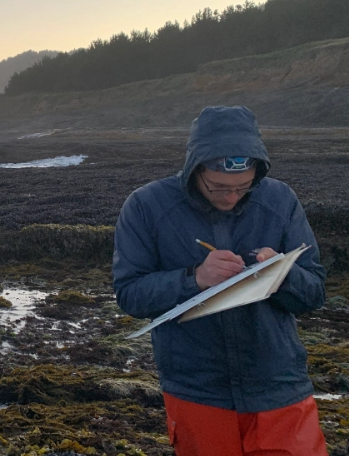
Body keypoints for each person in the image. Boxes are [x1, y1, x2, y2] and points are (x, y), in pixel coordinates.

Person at [112, 106, 327, 455]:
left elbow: (315, 291)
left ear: (258, 172)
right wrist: (194, 280)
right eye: (218, 188)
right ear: (195, 169)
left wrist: (282, 275)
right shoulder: (146, 206)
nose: (230, 197)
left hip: (279, 387)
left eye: (243, 188)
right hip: (198, 391)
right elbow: (130, 294)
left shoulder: (280, 200)